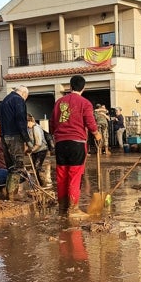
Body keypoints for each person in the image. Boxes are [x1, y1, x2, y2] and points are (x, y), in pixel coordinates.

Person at [50, 75, 101, 218]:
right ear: (83, 88)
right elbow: (90, 122)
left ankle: (62, 207)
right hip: (76, 143)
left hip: (60, 143)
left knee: (61, 175)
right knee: (74, 175)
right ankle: (73, 209)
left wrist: (57, 135)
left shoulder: (59, 102)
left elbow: (52, 123)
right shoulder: (85, 103)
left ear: (70, 86)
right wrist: (96, 133)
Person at [0, 85, 31, 200]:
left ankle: (9, 193)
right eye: (25, 97)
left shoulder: (5, 100)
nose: (25, 100)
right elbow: (21, 121)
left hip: (4, 136)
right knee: (17, 166)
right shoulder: (18, 100)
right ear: (23, 93)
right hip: (14, 136)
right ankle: (12, 194)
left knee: (10, 166)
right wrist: (27, 140)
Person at [27, 114, 49, 187]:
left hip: (41, 150)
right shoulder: (28, 129)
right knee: (35, 168)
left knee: (37, 167)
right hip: (34, 150)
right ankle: (39, 183)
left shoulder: (36, 128)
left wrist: (31, 151)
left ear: (29, 121)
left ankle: (43, 183)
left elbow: (38, 143)